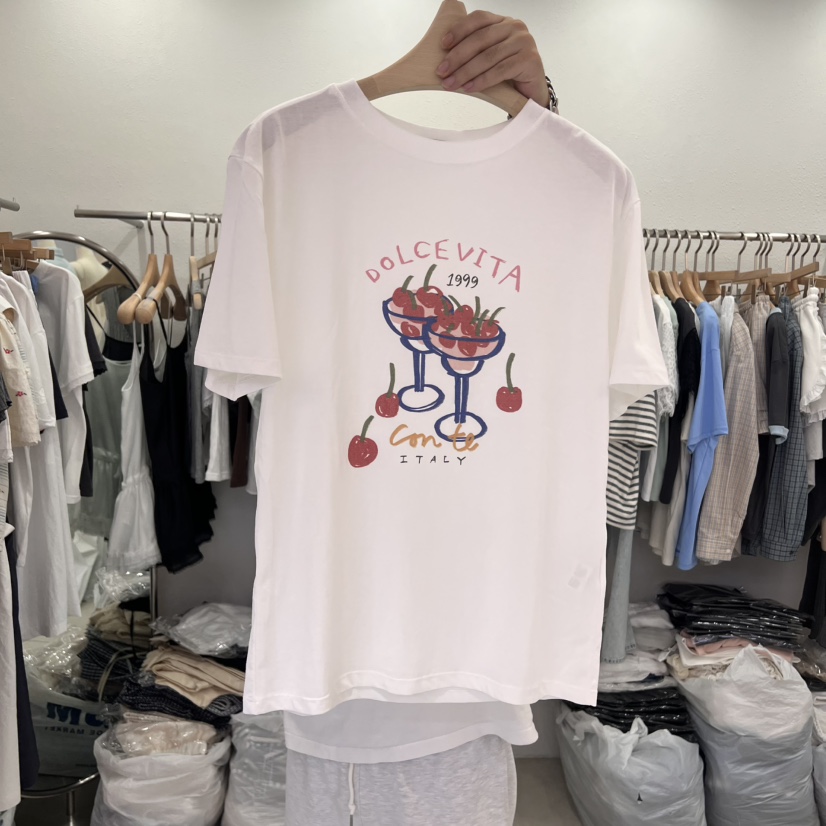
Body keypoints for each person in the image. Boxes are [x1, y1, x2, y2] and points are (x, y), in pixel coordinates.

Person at [284, 12, 559, 826]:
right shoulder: (287, 161)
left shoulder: (572, 187)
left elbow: (557, 231)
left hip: (475, 672)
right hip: (343, 676)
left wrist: (541, 111)